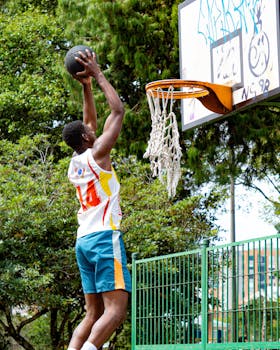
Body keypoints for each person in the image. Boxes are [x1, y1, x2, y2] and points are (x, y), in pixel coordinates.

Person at [62, 49, 131, 350]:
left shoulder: (76, 163)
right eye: (90, 131)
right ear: (88, 139)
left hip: (83, 241)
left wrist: (86, 87)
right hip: (104, 238)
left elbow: (87, 121)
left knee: (93, 313)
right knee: (115, 310)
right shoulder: (99, 155)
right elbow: (117, 111)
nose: (92, 128)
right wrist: (99, 74)